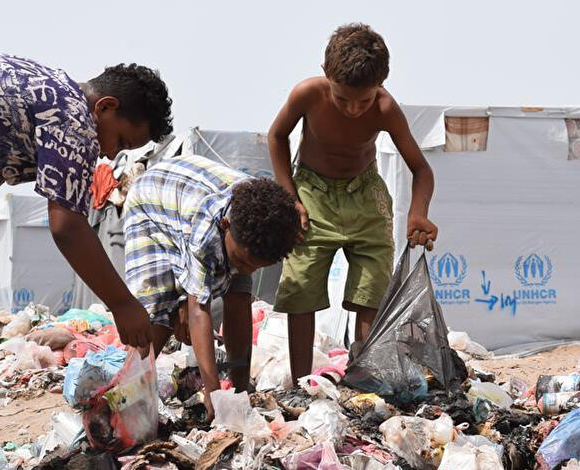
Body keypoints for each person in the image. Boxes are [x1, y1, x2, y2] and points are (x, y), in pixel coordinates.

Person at [0, 55, 172, 470]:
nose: (108, 153)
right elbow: (67, 224)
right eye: (119, 140)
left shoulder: (47, 92)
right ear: (105, 107)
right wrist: (124, 304)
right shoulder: (74, 117)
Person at [268, 23, 438, 385]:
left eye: (364, 100)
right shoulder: (308, 94)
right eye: (343, 98)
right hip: (311, 194)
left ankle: (362, 379)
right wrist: (290, 198)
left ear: (382, 82)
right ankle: (303, 383)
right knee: (301, 288)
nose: (353, 109)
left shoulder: (386, 109)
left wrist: (418, 212)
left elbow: (422, 169)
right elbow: (277, 136)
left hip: (366, 196)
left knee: (370, 291)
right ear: (326, 74)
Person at [123, 155, 300, 419]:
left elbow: (237, 298)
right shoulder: (207, 232)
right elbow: (198, 310)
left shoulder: (263, 221)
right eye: (242, 261)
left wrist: (239, 398)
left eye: (257, 266)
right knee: (157, 312)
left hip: (188, 204)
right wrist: (213, 392)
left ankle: (241, 388)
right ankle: (125, 398)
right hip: (151, 206)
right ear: (226, 226)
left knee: (240, 294)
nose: (247, 269)